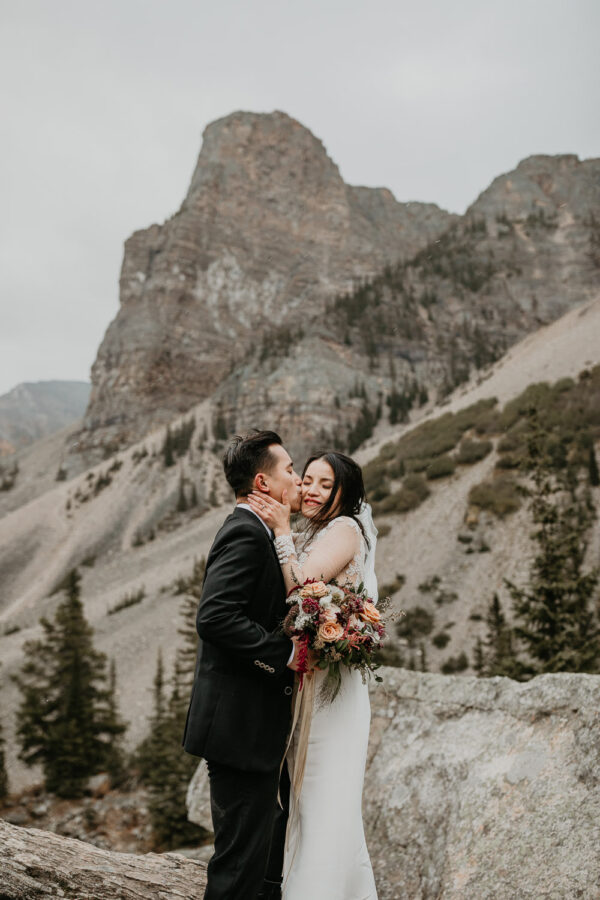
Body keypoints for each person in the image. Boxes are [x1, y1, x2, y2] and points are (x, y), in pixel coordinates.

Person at [181, 430, 315, 900]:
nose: (297, 480)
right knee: (238, 871)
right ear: (263, 483)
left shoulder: (262, 531)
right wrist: (285, 655)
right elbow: (214, 617)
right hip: (238, 729)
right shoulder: (245, 531)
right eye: (290, 471)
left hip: (253, 727)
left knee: (259, 866)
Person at [246, 450, 379, 900]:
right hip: (311, 679)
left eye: (325, 484)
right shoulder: (317, 529)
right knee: (304, 793)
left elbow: (302, 590)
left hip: (333, 692)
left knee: (323, 792)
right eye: (307, 480)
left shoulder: (344, 530)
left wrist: (282, 531)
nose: (311, 491)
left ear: (345, 493)